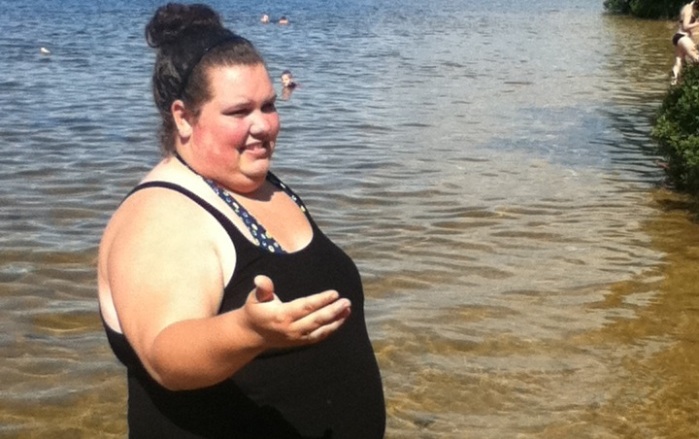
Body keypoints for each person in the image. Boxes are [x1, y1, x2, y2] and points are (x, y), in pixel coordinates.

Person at [97, 3, 385, 438]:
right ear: (183, 117)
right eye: (239, 112)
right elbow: (164, 354)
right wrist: (247, 330)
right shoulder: (162, 214)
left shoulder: (257, 183)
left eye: (268, 106)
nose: (263, 126)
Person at [671, 0, 699, 85]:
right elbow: (685, 26)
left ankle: (674, 82)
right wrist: (697, 23)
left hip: (679, 38)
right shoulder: (688, 9)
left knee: (679, 62)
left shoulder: (688, 8)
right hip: (682, 37)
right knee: (696, 57)